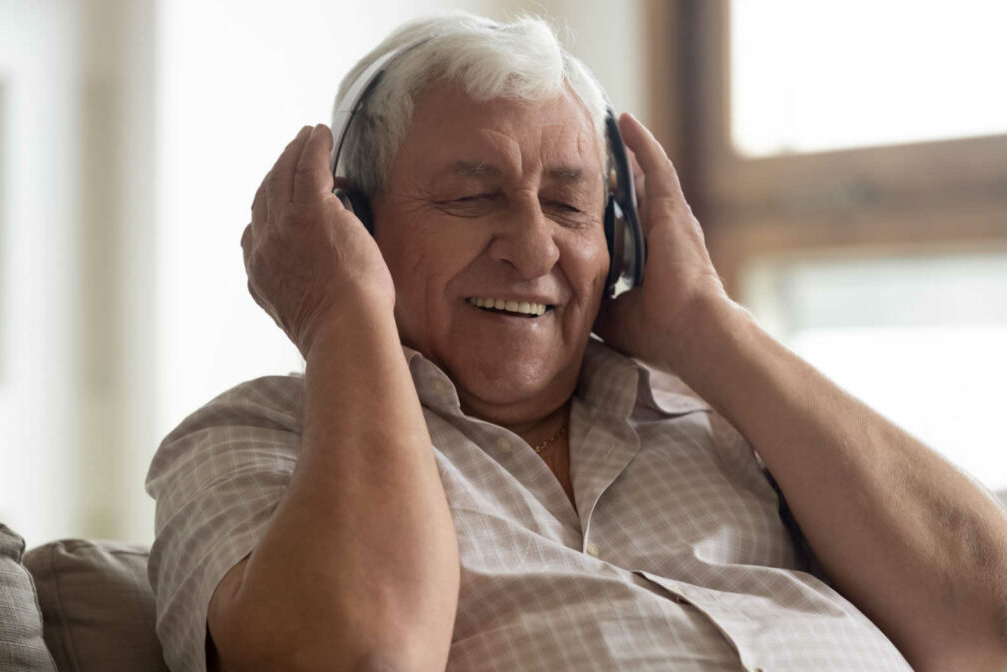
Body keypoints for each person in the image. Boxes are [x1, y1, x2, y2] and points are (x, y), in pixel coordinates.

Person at [146, 12, 1007, 672]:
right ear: (354, 226)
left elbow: (987, 624)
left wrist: (705, 323)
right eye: (471, 197)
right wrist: (343, 316)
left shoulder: (735, 421)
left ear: (622, 239)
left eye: (568, 205)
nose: (533, 248)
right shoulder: (256, 440)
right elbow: (359, 655)